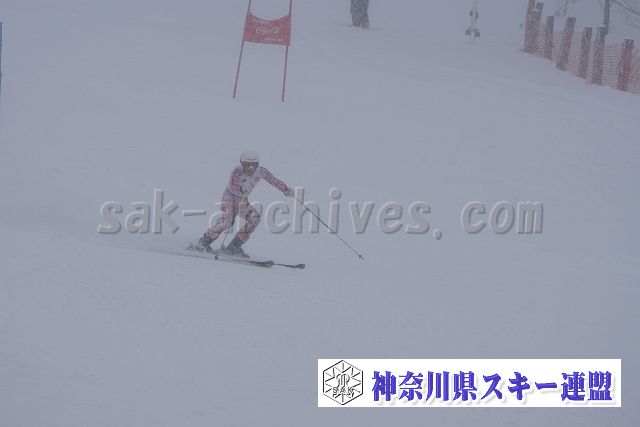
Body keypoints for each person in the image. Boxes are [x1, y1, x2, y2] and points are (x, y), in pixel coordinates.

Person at [194, 151, 294, 258]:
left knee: (254, 218)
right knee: (227, 221)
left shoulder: (261, 171)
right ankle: (204, 242)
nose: (250, 168)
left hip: (241, 200)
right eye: (247, 165)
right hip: (229, 197)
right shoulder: (237, 171)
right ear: (242, 163)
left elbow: (273, 180)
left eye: (253, 165)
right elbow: (233, 186)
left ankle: (234, 246)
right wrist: (242, 188)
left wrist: (285, 189)